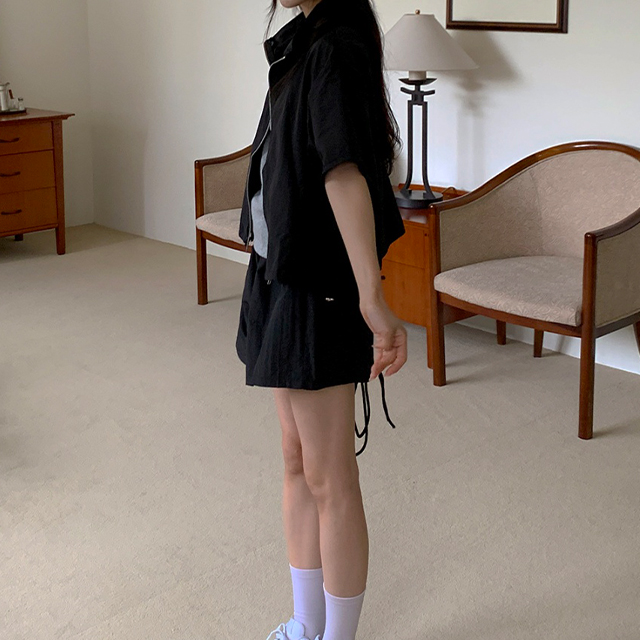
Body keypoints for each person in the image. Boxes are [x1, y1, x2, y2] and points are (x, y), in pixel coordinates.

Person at [235, 1, 408, 638]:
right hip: (277, 274)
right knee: (295, 459)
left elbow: (344, 173)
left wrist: (371, 296)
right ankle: (305, 625)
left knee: (330, 474)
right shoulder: (305, 41)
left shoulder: (335, 48)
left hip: (316, 288)